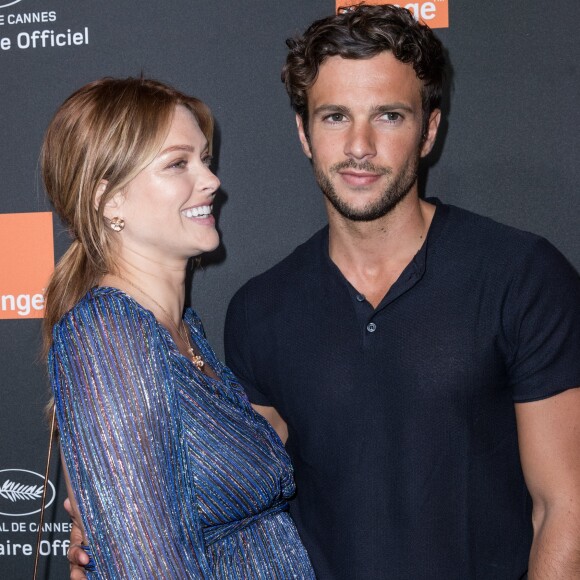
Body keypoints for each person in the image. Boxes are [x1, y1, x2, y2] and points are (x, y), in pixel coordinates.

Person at [69, 5, 580, 579]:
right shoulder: (259, 310)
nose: (359, 145)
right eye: (335, 117)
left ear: (430, 129)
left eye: (388, 116)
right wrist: (114, 496)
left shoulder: (521, 274)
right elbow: (237, 478)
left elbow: (567, 506)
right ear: (304, 132)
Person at [43, 77, 315, 578]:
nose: (211, 181)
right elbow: (148, 567)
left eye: (204, 160)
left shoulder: (181, 330)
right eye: (177, 163)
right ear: (110, 201)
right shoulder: (108, 336)